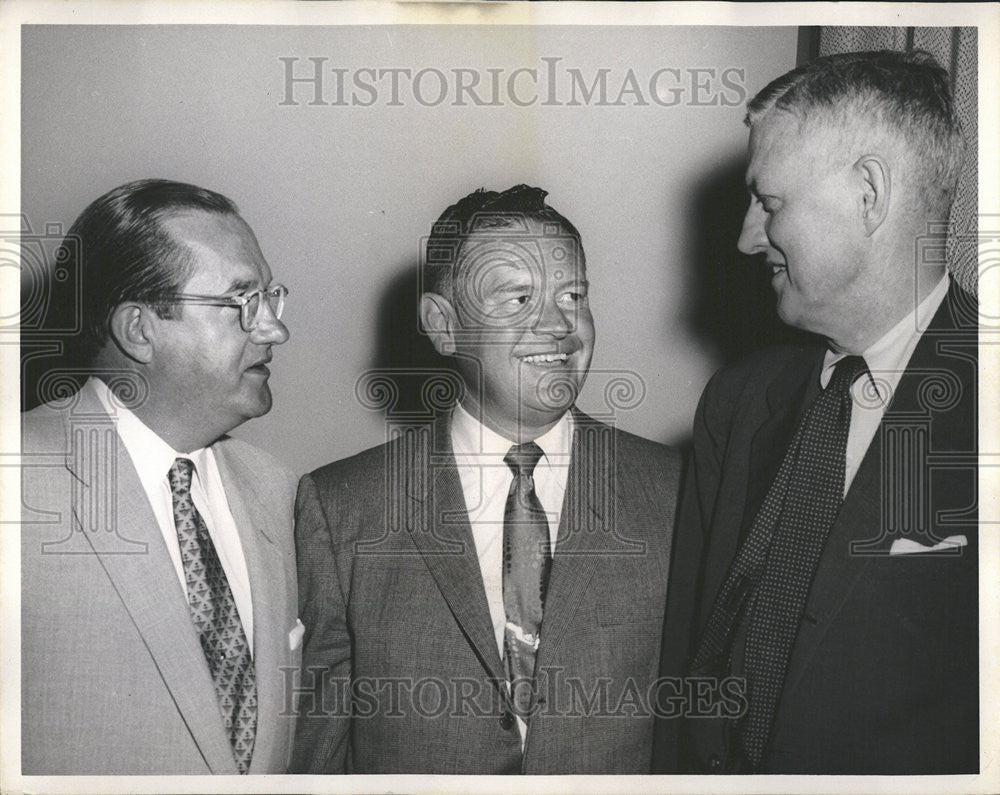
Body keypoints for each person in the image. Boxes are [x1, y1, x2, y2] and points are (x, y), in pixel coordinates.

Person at [654, 50, 978, 774]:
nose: (744, 237)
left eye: (769, 204)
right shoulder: (737, 402)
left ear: (868, 193)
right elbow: (686, 663)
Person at [291, 184, 681, 774]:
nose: (558, 325)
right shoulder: (344, 506)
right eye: (518, 297)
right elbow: (318, 752)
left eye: (573, 294)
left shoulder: (677, 490)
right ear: (443, 325)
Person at [21, 179, 300, 774]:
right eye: (241, 301)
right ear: (140, 329)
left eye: (271, 296)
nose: (274, 329)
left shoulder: (276, 490)